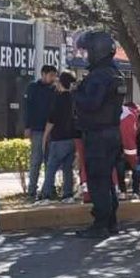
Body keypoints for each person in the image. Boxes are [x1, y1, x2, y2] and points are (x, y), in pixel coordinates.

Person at [63, 31, 125, 239]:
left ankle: (100, 224)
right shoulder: (115, 72)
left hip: (98, 134)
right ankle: (111, 222)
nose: (86, 55)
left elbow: (91, 103)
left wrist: (75, 92)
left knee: (98, 180)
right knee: (107, 179)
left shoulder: (99, 76)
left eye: (88, 51)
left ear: (97, 51)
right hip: (112, 133)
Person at [37, 71, 78, 204]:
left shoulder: (58, 98)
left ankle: (46, 195)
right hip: (72, 138)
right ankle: (68, 195)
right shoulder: (75, 99)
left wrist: (45, 137)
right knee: (67, 168)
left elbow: (51, 120)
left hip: (59, 138)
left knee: (51, 168)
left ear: (60, 83)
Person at [24, 65, 58, 200]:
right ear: (43, 74)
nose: (53, 78)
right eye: (51, 75)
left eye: (54, 75)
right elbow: (27, 108)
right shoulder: (32, 88)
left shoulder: (55, 89)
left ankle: (50, 189)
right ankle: (32, 190)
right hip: (37, 129)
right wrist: (27, 127)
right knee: (36, 160)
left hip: (52, 130)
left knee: (50, 161)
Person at [115, 101, 140, 199]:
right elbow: (130, 136)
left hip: (119, 147)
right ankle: (135, 192)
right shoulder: (132, 116)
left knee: (120, 169)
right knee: (136, 168)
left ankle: (123, 191)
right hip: (131, 148)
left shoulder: (122, 114)